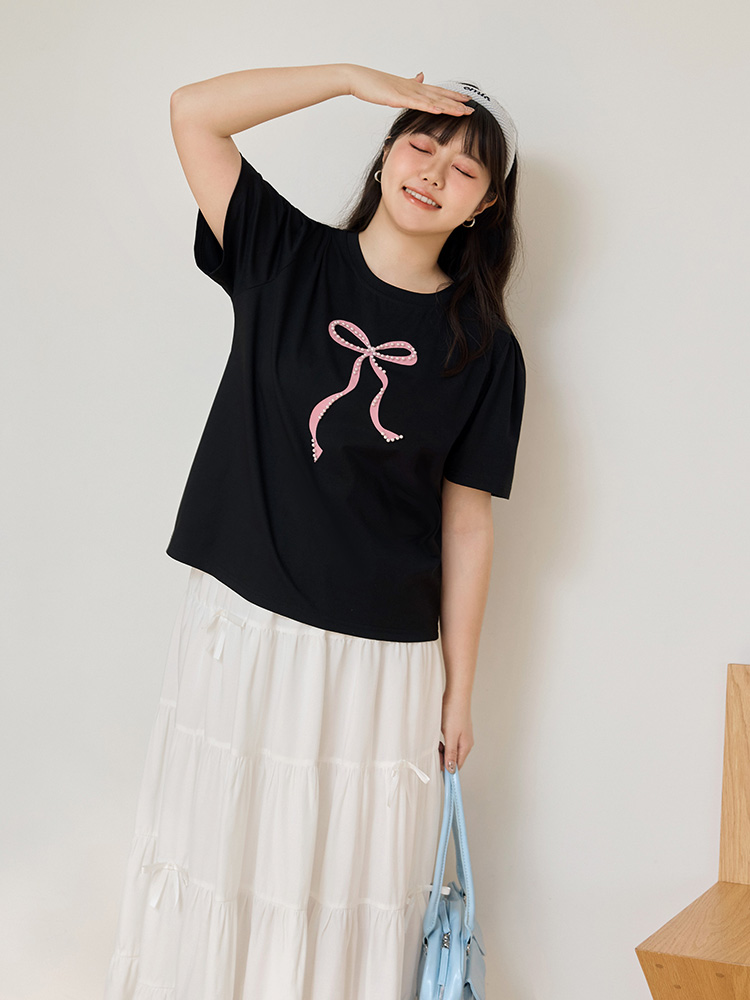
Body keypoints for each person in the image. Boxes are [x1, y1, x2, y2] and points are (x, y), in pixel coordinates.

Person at [103, 63, 526, 1000]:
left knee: (340, 890)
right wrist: (347, 79)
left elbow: (467, 525)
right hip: (244, 630)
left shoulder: (484, 349)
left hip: (381, 664)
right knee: (219, 860)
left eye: (464, 169)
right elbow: (193, 113)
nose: (433, 172)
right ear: (385, 155)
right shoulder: (282, 254)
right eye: (421, 143)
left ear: (486, 207)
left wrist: (459, 692)